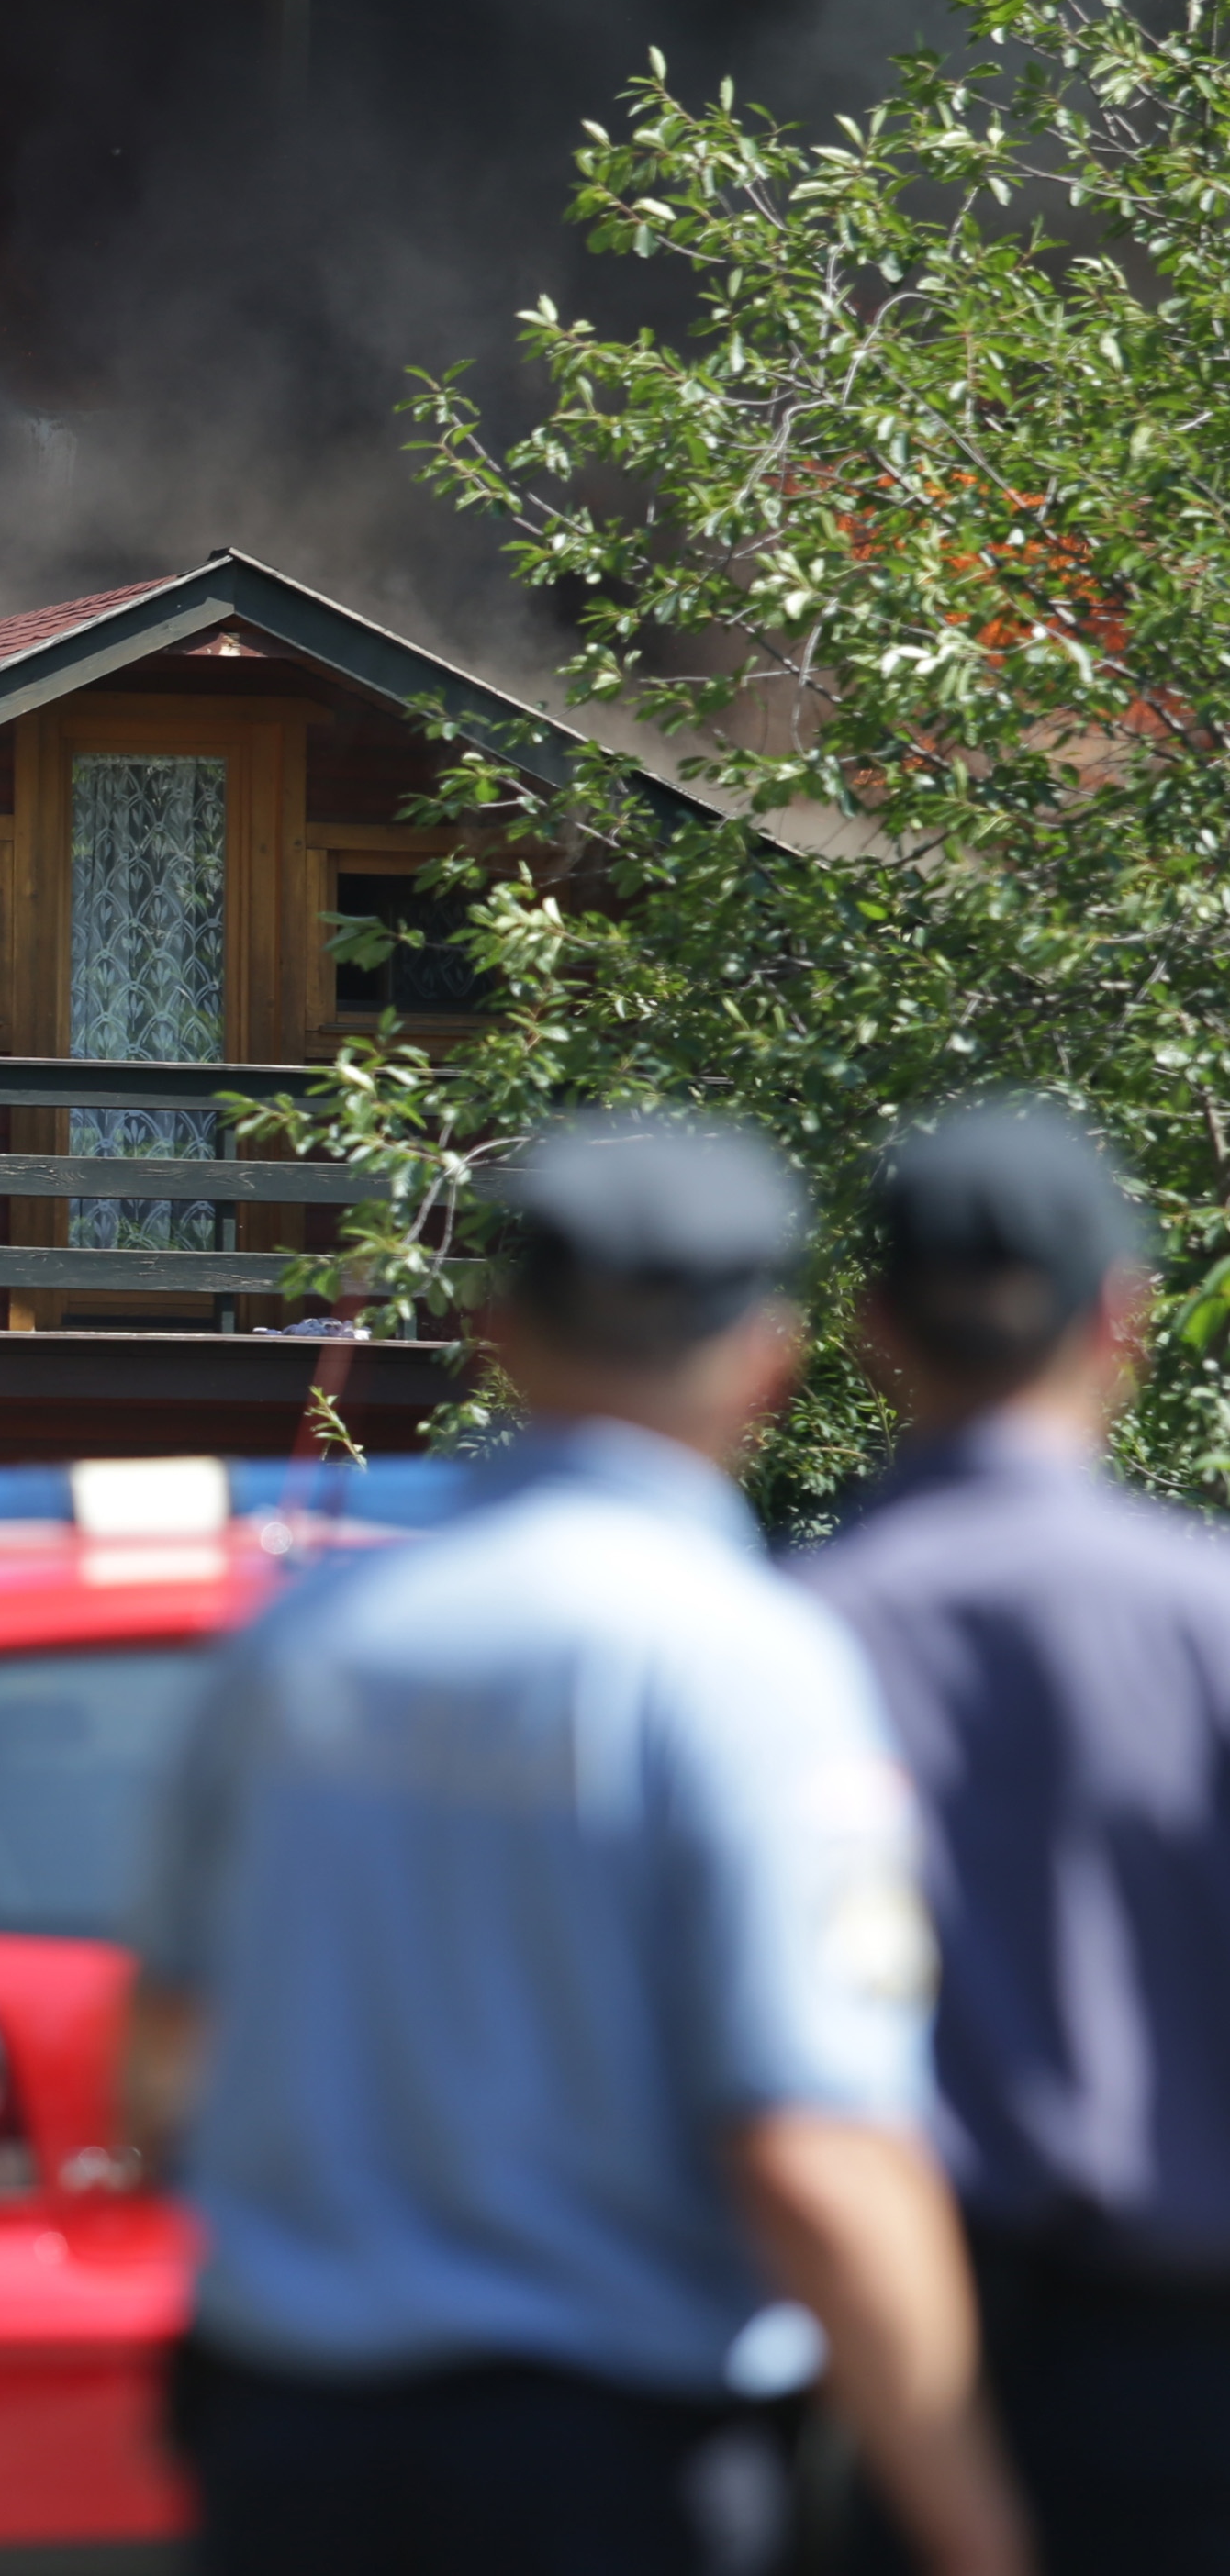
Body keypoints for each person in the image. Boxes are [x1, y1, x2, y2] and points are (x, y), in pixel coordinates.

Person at [126, 1110, 1029, 2576]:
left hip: (285, 2443)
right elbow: (814, 2140)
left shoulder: (294, 1647)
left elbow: (166, 2055)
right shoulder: (747, 1665)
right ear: (771, 1356)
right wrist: (975, 2523)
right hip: (609, 2470)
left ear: (496, 1336)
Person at [800, 1100, 1230, 2572]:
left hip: (887, 2369)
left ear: (871, 1329)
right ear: (1122, 1320)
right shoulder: (1207, 1622)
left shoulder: (783, 1647)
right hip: (1191, 2368)